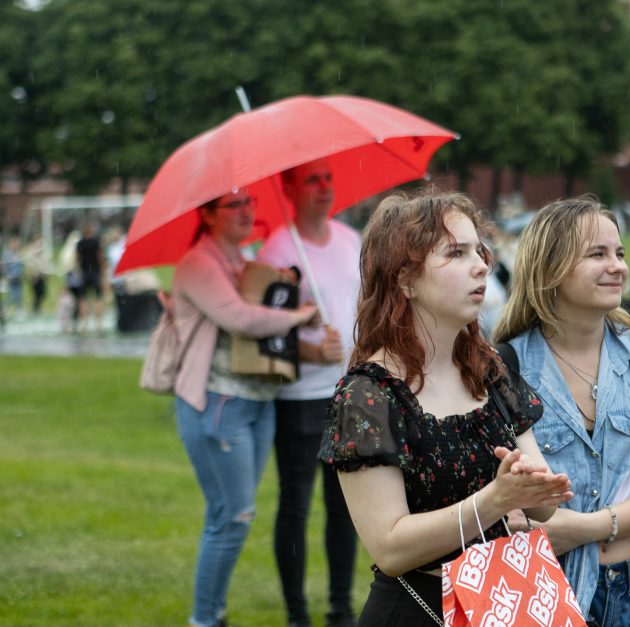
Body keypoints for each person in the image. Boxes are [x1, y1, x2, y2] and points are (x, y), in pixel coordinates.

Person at [318, 189, 574, 626]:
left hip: (500, 600)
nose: (481, 265)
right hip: (416, 612)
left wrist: (535, 488)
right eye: (456, 253)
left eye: (480, 250)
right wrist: (495, 500)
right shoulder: (367, 397)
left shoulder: (488, 368)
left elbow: (543, 508)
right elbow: (390, 548)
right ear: (404, 279)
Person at [492, 196, 630, 625]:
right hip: (541, 590)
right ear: (551, 269)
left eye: (619, 253)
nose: (618, 266)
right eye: (597, 254)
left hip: (629, 594)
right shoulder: (505, 365)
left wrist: (588, 526)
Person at [172, 189, 320, 627]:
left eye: (248, 203)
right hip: (220, 404)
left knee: (237, 515)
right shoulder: (198, 263)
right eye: (232, 206)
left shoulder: (244, 260)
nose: (245, 212)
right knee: (231, 517)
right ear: (207, 214)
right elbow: (239, 319)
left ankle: (211, 614)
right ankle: (205, 619)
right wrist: (299, 316)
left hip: (259, 403)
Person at [256, 160, 361, 627]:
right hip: (299, 399)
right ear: (289, 188)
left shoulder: (349, 241)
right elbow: (262, 340)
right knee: (296, 505)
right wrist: (311, 352)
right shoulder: (276, 252)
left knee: (346, 506)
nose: (323, 188)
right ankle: (297, 614)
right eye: (311, 181)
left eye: (327, 178)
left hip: (351, 392)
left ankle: (341, 608)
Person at [75, 221, 106, 335]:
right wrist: (103, 272)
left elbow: (77, 259)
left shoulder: (80, 243)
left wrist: (80, 269)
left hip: (84, 273)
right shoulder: (96, 242)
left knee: (83, 300)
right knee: (98, 299)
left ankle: (84, 327)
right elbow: (100, 257)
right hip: (95, 273)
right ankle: (98, 327)